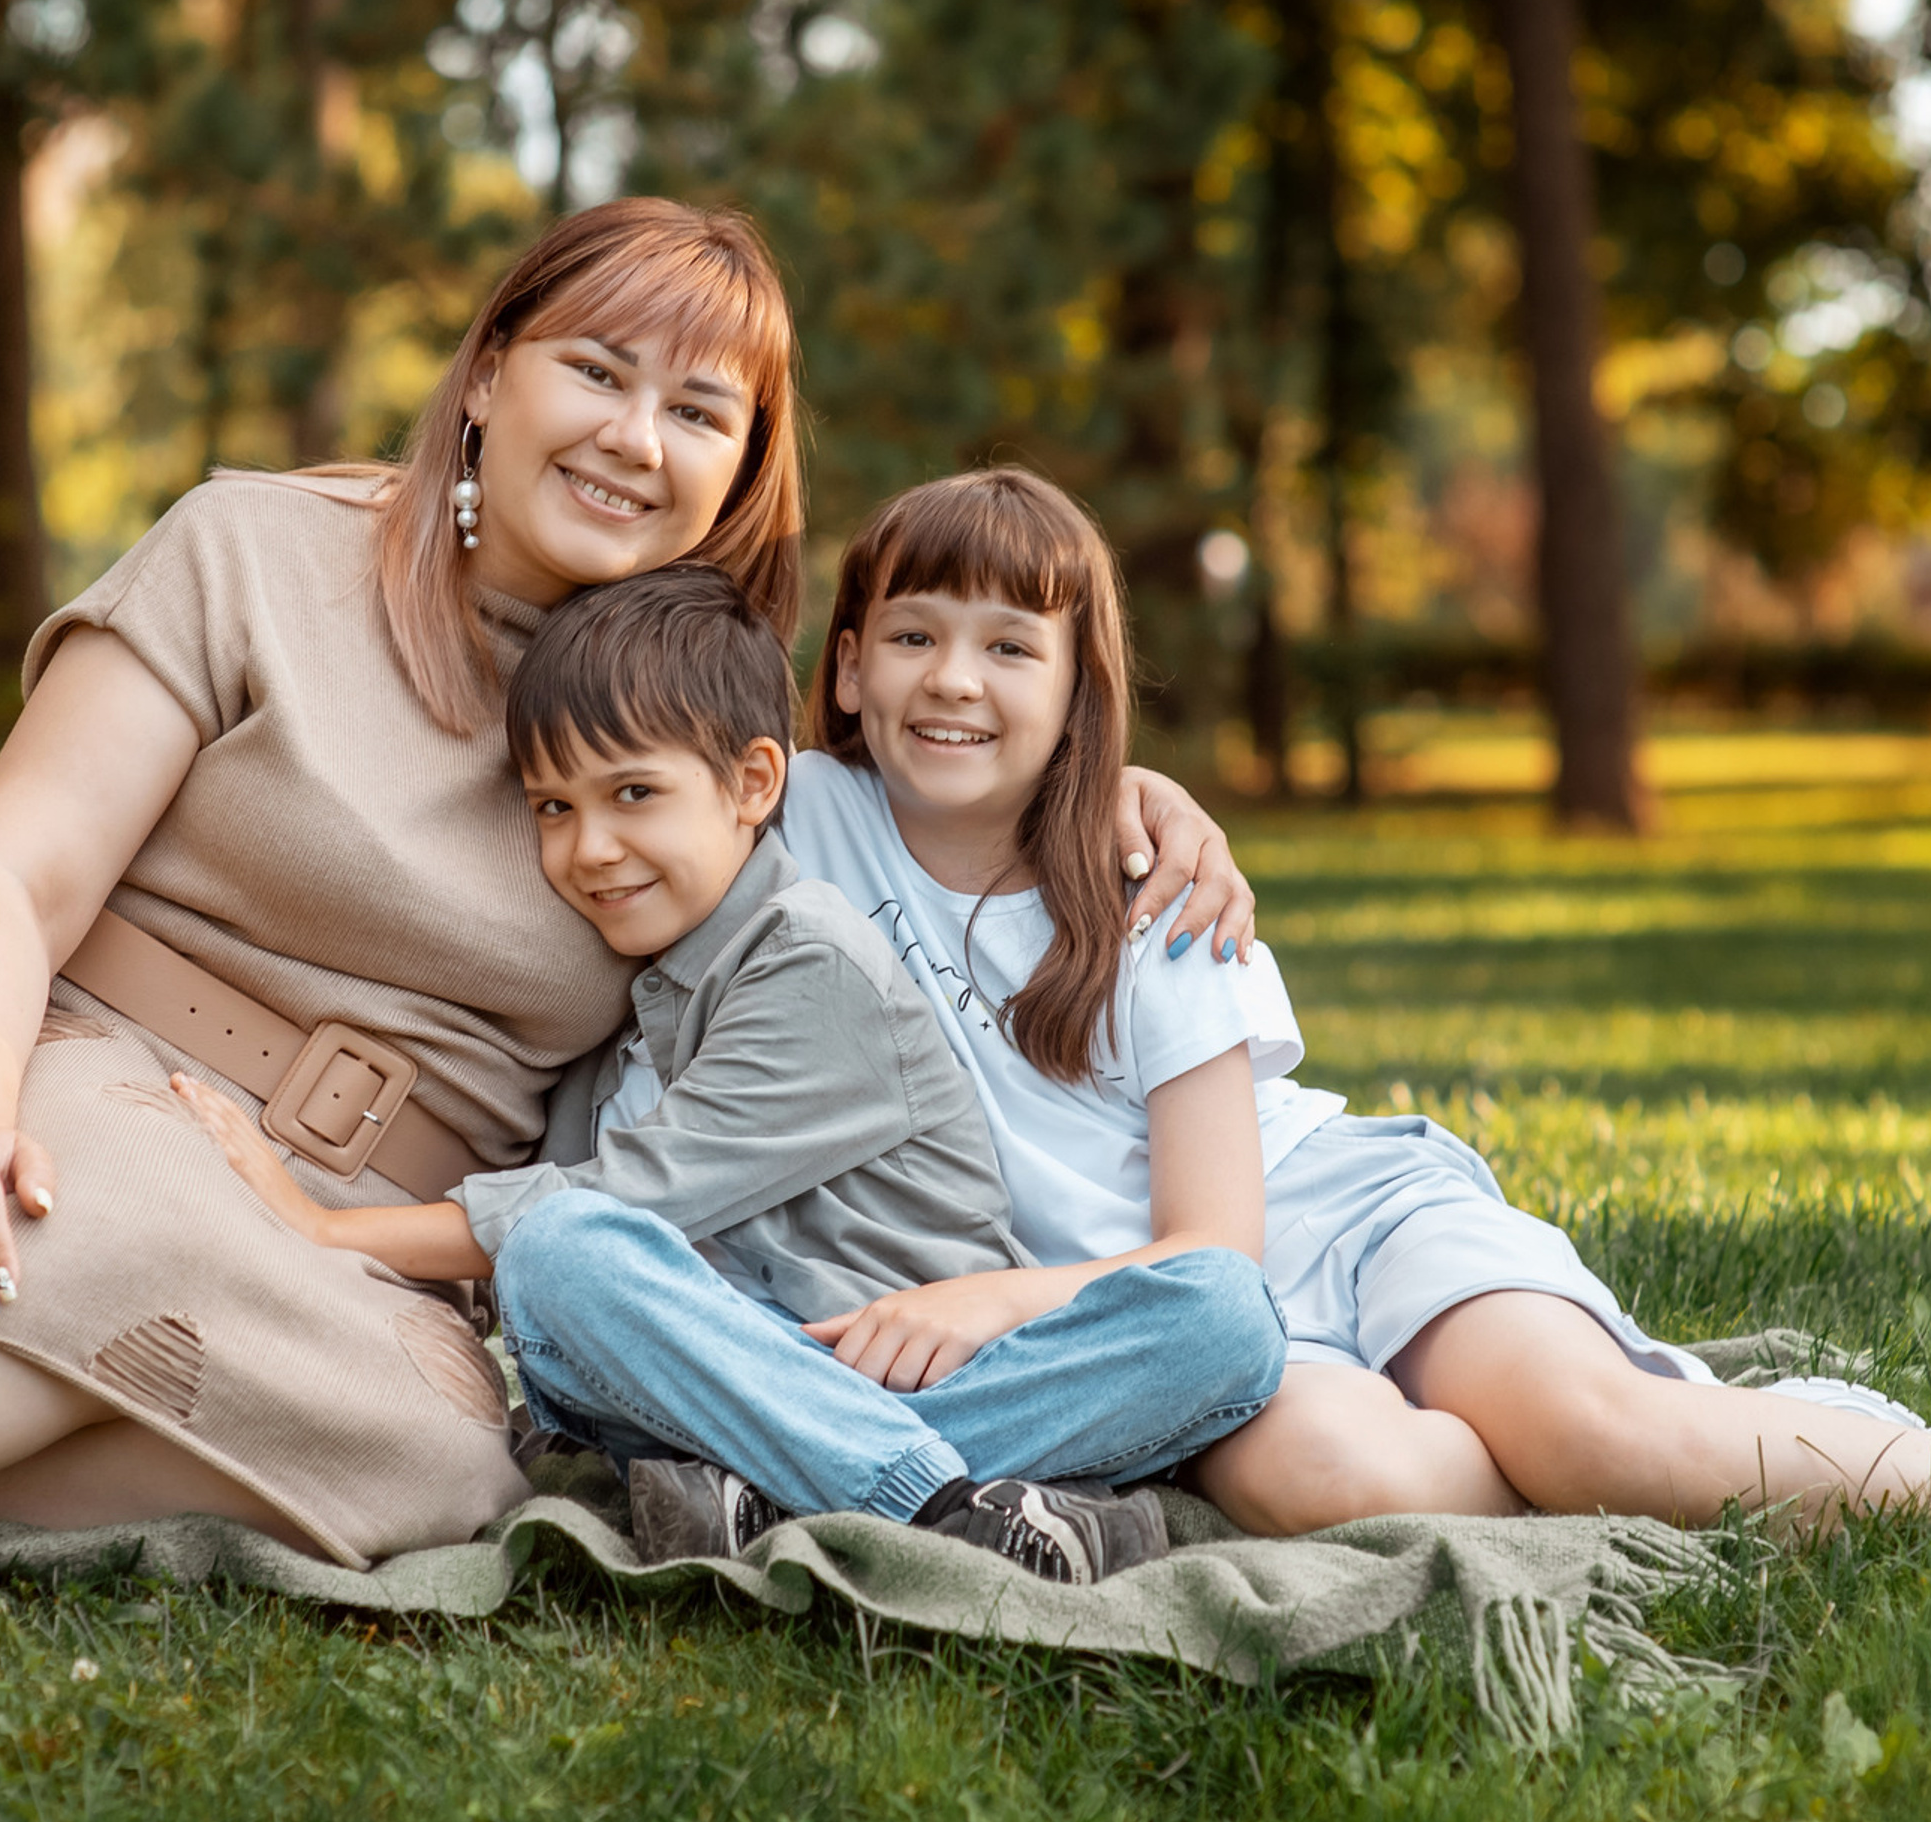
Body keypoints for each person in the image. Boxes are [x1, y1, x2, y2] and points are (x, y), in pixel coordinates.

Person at [0, 203, 1254, 1757]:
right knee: (92, 1224)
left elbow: (933, 770)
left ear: (744, 470)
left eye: (700, 412)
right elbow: (11, 867)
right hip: (79, 1074)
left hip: (366, 1248)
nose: (637, 437)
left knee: (445, 1481)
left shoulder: (673, 716)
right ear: (491, 370)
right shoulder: (252, 554)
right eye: (599, 369)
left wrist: (1127, 804)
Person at [782, 465, 1931, 1542]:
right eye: (913, 637)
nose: (954, 680)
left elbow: (1215, 1246)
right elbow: (626, 749)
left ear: (1080, 697)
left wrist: (988, 1304)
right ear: (846, 671)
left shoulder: (1149, 895)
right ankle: (1724, 1461)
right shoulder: (797, 817)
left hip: (1315, 1223)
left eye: (1011, 647)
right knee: (1340, 1489)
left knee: (1589, 1430)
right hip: (1180, 1339)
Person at [172, 564, 1287, 1581]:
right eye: (554, 808)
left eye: (633, 796)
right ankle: (968, 1505)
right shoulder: (639, 984)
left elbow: (624, 1194)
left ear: (755, 783)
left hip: (918, 1374)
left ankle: (855, 1497)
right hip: (724, 1361)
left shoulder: (813, 960)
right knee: (563, 1275)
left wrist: (325, 1229)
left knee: (1224, 1317)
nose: (588, 848)